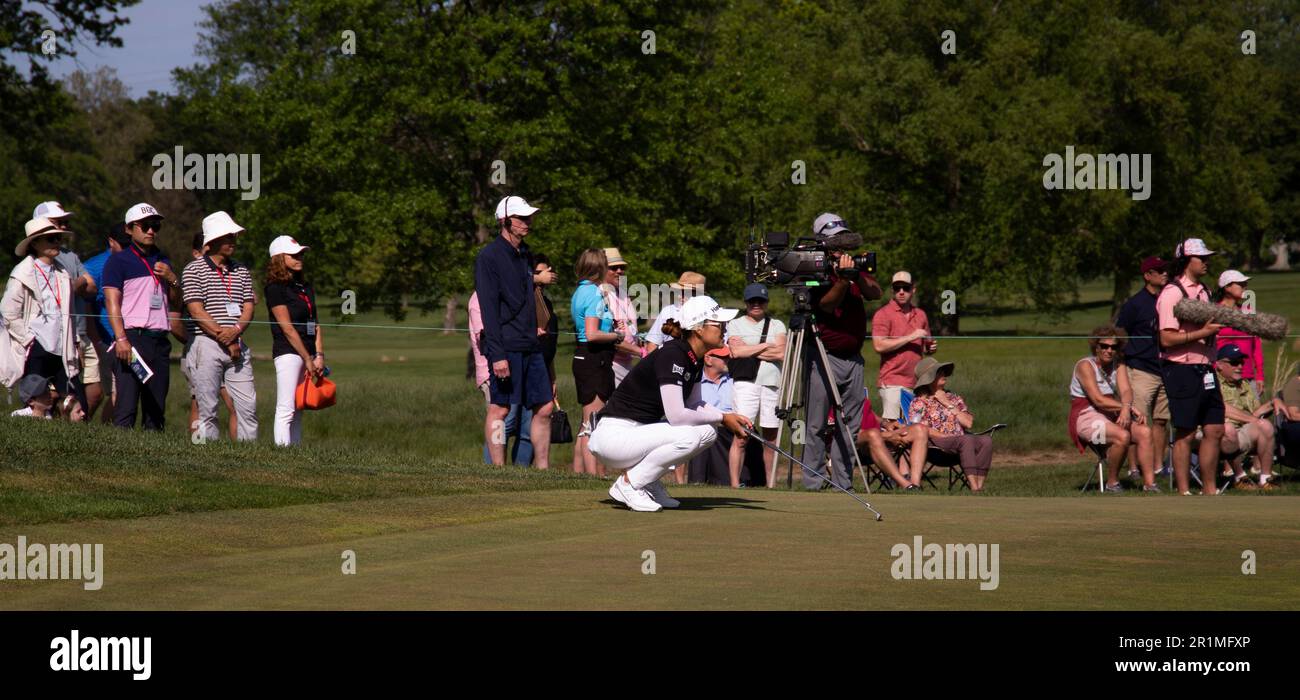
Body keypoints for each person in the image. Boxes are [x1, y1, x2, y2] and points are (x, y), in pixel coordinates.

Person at [589, 295, 753, 511]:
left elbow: (695, 403)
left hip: (637, 435)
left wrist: (728, 416)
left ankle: (645, 480)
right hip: (614, 438)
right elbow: (676, 415)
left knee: (707, 432)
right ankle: (629, 484)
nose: (724, 328)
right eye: (718, 324)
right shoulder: (674, 355)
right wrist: (723, 418)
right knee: (688, 436)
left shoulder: (694, 358)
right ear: (699, 329)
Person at [800, 212, 882, 491]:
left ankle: (842, 484)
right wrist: (843, 281)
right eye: (835, 243)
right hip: (823, 355)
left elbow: (875, 293)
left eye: (843, 243)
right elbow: (824, 305)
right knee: (816, 424)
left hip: (853, 358)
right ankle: (813, 481)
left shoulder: (852, 267)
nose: (840, 249)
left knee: (850, 426)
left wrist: (856, 272)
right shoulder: (814, 268)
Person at [475, 195, 554, 468]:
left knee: (544, 405)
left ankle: (543, 470)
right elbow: (489, 309)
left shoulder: (526, 255)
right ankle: (498, 469)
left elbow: (525, 298)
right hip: (505, 346)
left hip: (530, 343)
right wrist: (497, 355)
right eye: (522, 218)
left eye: (528, 217)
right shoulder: (489, 257)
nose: (528, 223)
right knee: (501, 408)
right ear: (505, 221)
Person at [103, 203, 182, 430]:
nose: (151, 231)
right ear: (129, 229)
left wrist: (173, 279)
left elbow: (176, 302)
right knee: (126, 407)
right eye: (145, 226)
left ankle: (153, 460)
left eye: (155, 226)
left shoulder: (162, 259)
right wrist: (121, 339)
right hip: (132, 340)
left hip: (159, 340)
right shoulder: (118, 261)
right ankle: (119, 459)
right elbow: (112, 302)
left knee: (156, 409)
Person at [1156, 238, 1225, 495]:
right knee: (1185, 432)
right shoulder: (1172, 293)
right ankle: (1183, 492)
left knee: (1215, 429)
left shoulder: (1205, 291)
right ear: (1187, 261)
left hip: (1207, 367)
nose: (1207, 262)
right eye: (1202, 258)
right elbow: (1166, 338)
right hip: (1181, 370)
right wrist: (1202, 333)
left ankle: (1210, 490)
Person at [182, 211, 258, 441]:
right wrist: (222, 335)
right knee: (208, 407)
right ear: (212, 240)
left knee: (248, 406)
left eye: (233, 236)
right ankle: (208, 458)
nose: (233, 241)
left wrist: (234, 333)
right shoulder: (193, 270)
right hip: (206, 344)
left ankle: (250, 457)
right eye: (228, 237)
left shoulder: (242, 270)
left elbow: (248, 307)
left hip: (237, 342)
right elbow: (196, 310)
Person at [3, 218, 82, 418]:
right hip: (36, 345)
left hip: (61, 344)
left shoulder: (62, 272)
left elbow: (69, 311)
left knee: (74, 398)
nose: (57, 242)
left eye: (58, 238)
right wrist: (28, 338)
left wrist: (75, 341)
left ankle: (74, 434)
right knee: (37, 400)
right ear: (35, 244)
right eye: (50, 239)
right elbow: (8, 311)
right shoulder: (23, 272)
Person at [1066, 326, 1157, 492]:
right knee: (1122, 435)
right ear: (1096, 346)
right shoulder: (1085, 366)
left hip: (1110, 413)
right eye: (1104, 346)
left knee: (1145, 432)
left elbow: (1126, 391)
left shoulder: (1119, 364)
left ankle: (1150, 484)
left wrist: (1126, 407)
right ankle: (1112, 483)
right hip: (1086, 416)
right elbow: (1098, 400)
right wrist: (1125, 407)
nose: (1109, 350)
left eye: (1114, 347)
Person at [37, 202, 97, 416]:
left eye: (65, 222)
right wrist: (77, 283)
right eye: (58, 222)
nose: (63, 227)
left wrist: (75, 283)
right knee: (53, 393)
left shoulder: (70, 255)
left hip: (77, 333)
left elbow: (91, 286)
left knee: (77, 390)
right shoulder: (38, 257)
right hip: (52, 335)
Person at [726, 283, 787, 488]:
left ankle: (771, 484)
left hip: (771, 383)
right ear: (746, 303)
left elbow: (782, 353)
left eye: (760, 301)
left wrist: (749, 348)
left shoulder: (777, 324)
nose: (756, 304)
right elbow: (736, 352)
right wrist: (766, 345)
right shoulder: (734, 324)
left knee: (771, 436)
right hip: (746, 383)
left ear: (766, 302)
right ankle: (734, 484)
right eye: (752, 301)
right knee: (741, 434)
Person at [265, 236, 324, 447]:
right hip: (288, 352)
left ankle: (295, 452)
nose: (300, 258)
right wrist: (307, 357)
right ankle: (283, 452)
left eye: (301, 254)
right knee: (286, 407)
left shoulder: (304, 286)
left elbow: (315, 323)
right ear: (280, 258)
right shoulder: (275, 288)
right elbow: (287, 328)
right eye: (294, 255)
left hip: (308, 352)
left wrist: (318, 355)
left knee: (299, 406)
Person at [1114, 256, 1171, 477]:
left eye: (1166, 270)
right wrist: (1125, 360)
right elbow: (1119, 334)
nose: (1165, 273)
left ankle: (1158, 466)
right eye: (1159, 270)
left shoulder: (1169, 300)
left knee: (1160, 420)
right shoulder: (1135, 303)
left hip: (1165, 368)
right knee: (1137, 421)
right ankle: (1134, 468)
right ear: (1148, 276)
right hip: (1140, 369)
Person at [180, 232, 239, 440]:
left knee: (233, 404)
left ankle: (242, 450)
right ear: (198, 252)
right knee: (202, 402)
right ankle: (201, 446)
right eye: (204, 252)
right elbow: (179, 317)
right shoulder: (192, 276)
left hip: (228, 347)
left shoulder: (228, 273)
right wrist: (188, 342)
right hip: (200, 347)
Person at [908, 357, 994, 491]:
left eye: (943, 371)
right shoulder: (920, 402)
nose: (943, 374)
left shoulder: (954, 398)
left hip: (960, 440)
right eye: (939, 372)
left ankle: (980, 486)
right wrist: (946, 436)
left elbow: (968, 423)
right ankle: (974, 487)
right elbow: (920, 428)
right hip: (937, 446)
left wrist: (947, 403)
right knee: (965, 440)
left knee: (986, 441)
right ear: (929, 379)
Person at [468, 290, 533, 465]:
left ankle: (521, 474)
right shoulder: (479, 299)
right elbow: (484, 335)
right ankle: (495, 469)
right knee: (504, 421)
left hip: (517, 368)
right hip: (493, 372)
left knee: (524, 428)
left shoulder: (506, 295)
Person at [570, 248, 618, 476]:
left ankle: (580, 473)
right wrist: (616, 336)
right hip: (594, 357)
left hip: (585, 357)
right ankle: (591, 475)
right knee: (593, 423)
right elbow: (592, 333)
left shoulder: (580, 291)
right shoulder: (594, 294)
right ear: (600, 268)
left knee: (586, 422)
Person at [82, 224, 133, 423]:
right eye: (123, 244)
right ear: (111, 241)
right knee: (109, 394)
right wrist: (96, 341)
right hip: (107, 340)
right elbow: (85, 306)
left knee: (122, 394)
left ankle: (107, 432)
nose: (128, 248)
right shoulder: (95, 266)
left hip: (131, 338)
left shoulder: (135, 261)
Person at [871, 270, 935, 425]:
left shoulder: (920, 315)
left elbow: (927, 345)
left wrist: (930, 348)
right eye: (897, 288)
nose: (901, 292)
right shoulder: (883, 314)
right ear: (892, 290)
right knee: (893, 428)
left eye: (905, 288)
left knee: (916, 427)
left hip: (918, 384)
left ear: (913, 290)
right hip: (892, 381)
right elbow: (879, 345)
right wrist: (910, 337)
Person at [1215, 344, 1279, 490]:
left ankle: (1265, 479)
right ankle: (1240, 477)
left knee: (1265, 425)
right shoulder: (1213, 383)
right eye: (1234, 363)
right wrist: (1252, 420)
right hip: (1218, 434)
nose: (1239, 366)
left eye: (1241, 363)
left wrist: (1274, 402)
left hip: (1243, 432)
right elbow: (1220, 408)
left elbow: (1254, 413)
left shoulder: (1244, 384)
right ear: (1219, 365)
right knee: (1228, 428)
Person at [854, 399, 928, 490]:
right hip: (859, 444)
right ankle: (905, 485)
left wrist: (886, 424)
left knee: (920, 429)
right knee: (873, 434)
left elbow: (869, 412)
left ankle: (915, 485)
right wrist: (886, 436)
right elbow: (845, 431)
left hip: (880, 435)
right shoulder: (835, 397)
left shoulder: (857, 394)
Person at [1214, 270, 1265, 396]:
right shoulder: (1214, 312)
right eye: (1240, 284)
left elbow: (1256, 346)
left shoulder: (1248, 312)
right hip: (1222, 376)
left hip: (1247, 376)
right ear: (1227, 287)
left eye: (1245, 284)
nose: (1245, 287)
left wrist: (1259, 375)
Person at [601, 247, 643, 385]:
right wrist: (642, 352)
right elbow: (611, 338)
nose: (619, 271)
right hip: (611, 363)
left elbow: (630, 328)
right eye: (613, 268)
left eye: (621, 267)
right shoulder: (601, 294)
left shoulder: (623, 292)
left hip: (627, 362)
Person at [643, 271, 705, 352]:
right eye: (679, 292)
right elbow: (653, 343)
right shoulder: (668, 311)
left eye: (685, 293)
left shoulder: (708, 315)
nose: (680, 297)